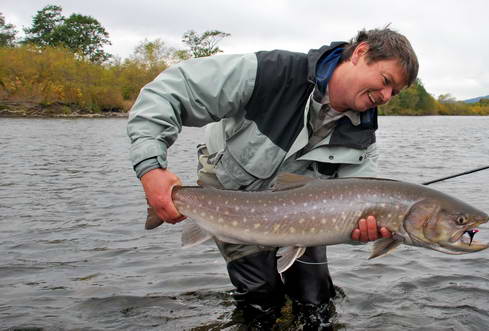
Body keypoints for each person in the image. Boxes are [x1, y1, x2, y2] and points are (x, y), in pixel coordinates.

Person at [127, 27, 418, 328]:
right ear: (361, 53)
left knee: (317, 302)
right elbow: (167, 92)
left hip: (306, 219)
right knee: (262, 301)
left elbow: (355, 220)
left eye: (394, 93)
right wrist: (151, 169)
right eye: (386, 82)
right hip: (232, 202)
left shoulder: (364, 139)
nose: (385, 96)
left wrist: (369, 234)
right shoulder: (270, 74)